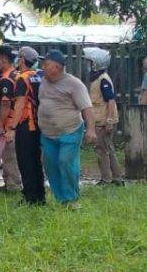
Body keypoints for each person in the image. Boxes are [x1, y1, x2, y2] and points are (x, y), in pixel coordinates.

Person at [36, 49, 96, 208]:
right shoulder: (43, 81)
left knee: (65, 162)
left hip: (70, 131)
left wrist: (91, 130)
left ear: (57, 67)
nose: (43, 67)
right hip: (48, 134)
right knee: (51, 166)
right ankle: (61, 199)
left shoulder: (74, 84)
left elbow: (87, 108)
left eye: (46, 64)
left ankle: (72, 199)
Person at [4, 46, 46, 205]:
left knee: (25, 161)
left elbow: (20, 104)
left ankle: (29, 197)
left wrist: (12, 128)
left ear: (21, 59)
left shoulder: (22, 78)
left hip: (26, 126)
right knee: (36, 161)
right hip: (39, 124)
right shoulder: (39, 75)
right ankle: (40, 196)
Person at [84, 47, 123, 185]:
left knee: (102, 150)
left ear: (96, 63)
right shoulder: (98, 78)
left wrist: (110, 120)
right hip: (100, 119)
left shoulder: (103, 79)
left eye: (89, 61)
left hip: (103, 120)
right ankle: (117, 178)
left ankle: (106, 179)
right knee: (108, 149)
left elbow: (111, 101)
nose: (87, 64)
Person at [0, 46, 23, 193]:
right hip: (19, 121)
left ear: (3, 59)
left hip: (9, 123)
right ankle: (9, 181)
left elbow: (5, 103)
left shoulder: (6, 80)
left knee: (9, 155)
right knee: (12, 154)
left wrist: (1, 123)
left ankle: (13, 185)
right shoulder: (18, 75)